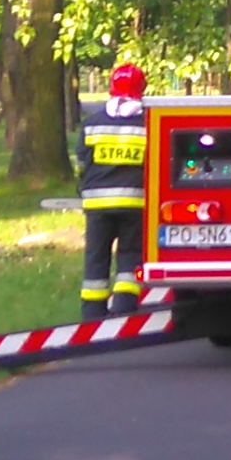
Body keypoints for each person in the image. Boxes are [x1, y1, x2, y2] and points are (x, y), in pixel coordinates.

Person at [78, 62, 151, 319]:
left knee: (96, 257)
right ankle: (124, 310)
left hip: (97, 205)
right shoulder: (148, 124)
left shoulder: (93, 124)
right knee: (130, 255)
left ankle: (92, 313)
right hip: (135, 203)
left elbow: (81, 164)